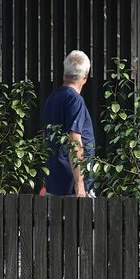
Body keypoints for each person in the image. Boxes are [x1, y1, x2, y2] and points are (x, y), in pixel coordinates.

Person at [40, 50, 96, 198]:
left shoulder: (53, 98)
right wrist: (80, 186)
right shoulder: (75, 100)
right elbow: (74, 141)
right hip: (70, 184)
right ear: (85, 77)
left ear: (64, 74)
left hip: (54, 179)